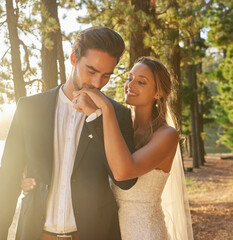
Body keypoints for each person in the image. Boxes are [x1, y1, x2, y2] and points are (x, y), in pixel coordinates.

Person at [0, 26, 137, 240]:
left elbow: (125, 181)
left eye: (106, 76)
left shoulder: (118, 115)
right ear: (74, 58)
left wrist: (97, 117)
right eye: (91, 71)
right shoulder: (30, 108)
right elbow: (7, 179)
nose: (97, 83)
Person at [22, 56, 194, 239]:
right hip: (108, 228)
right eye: (129, 78)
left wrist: (105, 106)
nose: (130, 85)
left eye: (141, 82)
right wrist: (31, 175)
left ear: (158, 93)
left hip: (144, 232)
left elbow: (124, 172)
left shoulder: (167, 135)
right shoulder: (119, 127)